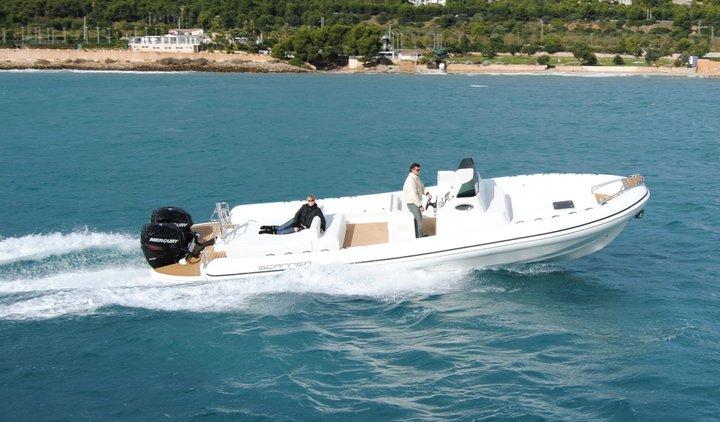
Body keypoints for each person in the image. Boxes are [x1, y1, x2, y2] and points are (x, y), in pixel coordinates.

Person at [259, 195, 326, 235]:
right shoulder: (304, 206)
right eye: (309, 200)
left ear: (314, 200)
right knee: (280, 228)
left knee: (281, 232)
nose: (310, 202)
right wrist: (295, 225)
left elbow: (323, 220)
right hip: (296, 221)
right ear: (307, 201)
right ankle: (267, 227)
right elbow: (297, 214)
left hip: (302, 227)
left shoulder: (317, 210)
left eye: (312, 200)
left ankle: (266, 232)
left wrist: (322, 228)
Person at [403, 162, 432, 238]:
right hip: (412, 203)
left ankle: (419, 235)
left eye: (419, 170)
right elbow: (413, 195)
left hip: (415, 202)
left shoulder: (416, 177)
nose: (419, 171)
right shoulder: (410, 181)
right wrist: (420, 206)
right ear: (412, 170)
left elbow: (422, 187)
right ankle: (420, 238)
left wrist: (427, 193)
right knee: (419, 222)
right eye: (417, 170)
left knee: (418, 220)